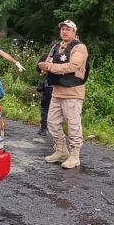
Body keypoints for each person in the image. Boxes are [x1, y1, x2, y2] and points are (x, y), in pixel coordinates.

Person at [38, 20, 89, 169]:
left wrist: (51, 67)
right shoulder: (56, 47)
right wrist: (43, 68)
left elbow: (73, 66)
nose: (64, 31)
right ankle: (61, 151)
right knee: (52, 122)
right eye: (62, 29)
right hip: (57, 91)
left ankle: (75, 156)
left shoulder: (80, 48)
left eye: (68, 29)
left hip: (73, 92)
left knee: (73, 125)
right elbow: (48, 63)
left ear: (74, 32)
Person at [36, 48, 55, 136]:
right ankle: (56, 131)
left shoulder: (46, 56)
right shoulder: (67, 56)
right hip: (62, 87)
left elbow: (38, 69)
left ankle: (43, 129)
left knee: (45, 107)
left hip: (49, 86)